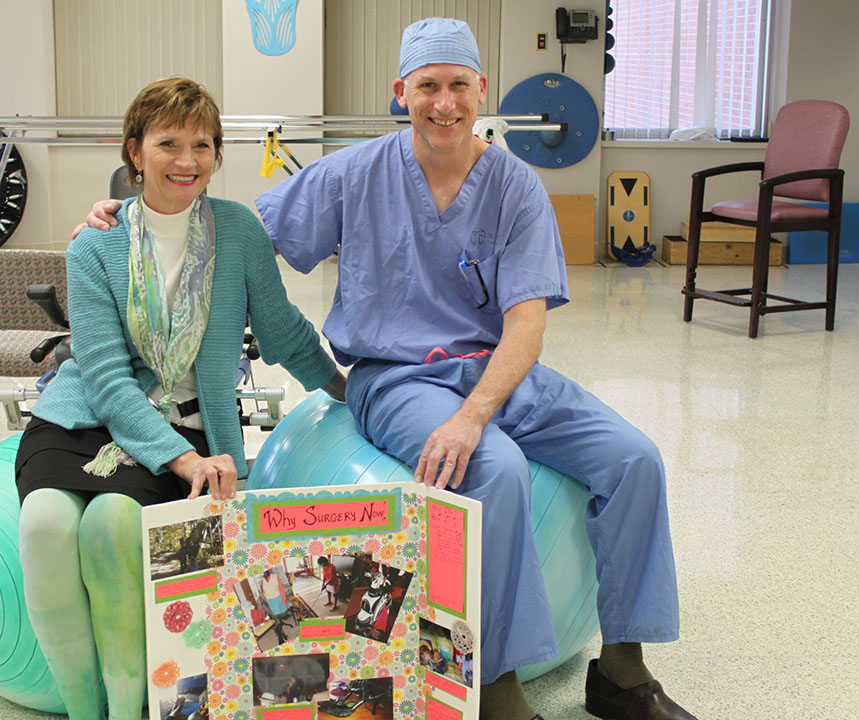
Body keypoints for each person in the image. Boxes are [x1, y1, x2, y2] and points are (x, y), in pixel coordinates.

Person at [78, 21, 693, 720]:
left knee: (636, 458)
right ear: (401, 93)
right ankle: (493, 686)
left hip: (494, 371)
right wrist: (124, 220)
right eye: (427, 86)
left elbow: (527, 322)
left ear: (480, 91)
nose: (444, 102)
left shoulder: (515, 186)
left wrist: (472, 413)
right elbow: (236, 233)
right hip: (396, 378)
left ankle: (621, 668)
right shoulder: (353, 172)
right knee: (496, 472)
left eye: (458, 84)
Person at [18, 76, 344, 720]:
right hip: (84, 420)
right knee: (45, 526)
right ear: (134, 153)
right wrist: (183, 463)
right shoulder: (96, 244)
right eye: (169, 142)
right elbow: (108, 381)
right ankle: (87, 710)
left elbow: (282, 331)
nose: (188, 160)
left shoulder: (239, 232)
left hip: (190, 426)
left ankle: (127, 707)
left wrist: (350, 392)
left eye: (203, 144)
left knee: (111, 528)